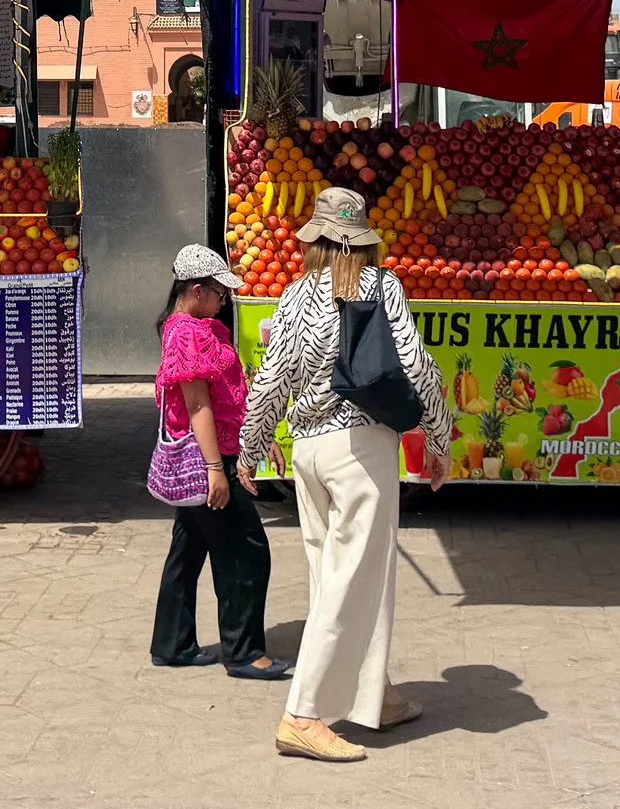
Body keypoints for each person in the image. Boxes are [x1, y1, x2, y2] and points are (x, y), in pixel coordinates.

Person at [238, 189, 451, 762]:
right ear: (364, 241)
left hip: (308, 450)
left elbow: (272, 377)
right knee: (354, 579)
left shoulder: (294, 295)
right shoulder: (381, 287)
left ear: (317, 239)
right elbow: (416, 365)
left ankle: (372, 694)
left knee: (336, 576)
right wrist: (438, 437)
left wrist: (251, 446)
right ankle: (302, 714)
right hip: (360, 451)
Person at [150, 245, 291, 682]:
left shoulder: (197, 328)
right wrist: (216, 469)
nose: (223, 301)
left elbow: (228, 395)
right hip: (208, 458)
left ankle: (172, 644)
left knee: (188, 549)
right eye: (219, 293)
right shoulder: (187, 334)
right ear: (196, 291)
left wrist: (259, 436)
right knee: (246, 551)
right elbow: (198, 406)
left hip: (216, 451)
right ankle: (244, 653)